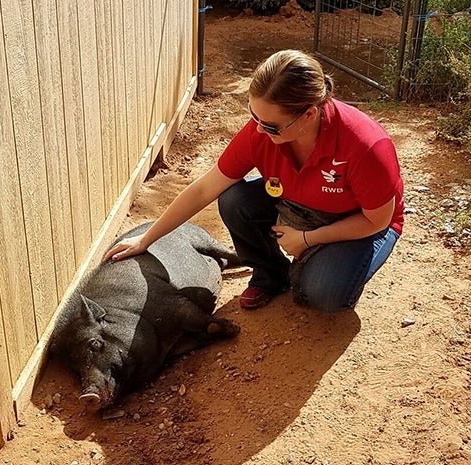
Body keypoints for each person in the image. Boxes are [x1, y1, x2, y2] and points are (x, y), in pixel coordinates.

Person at [104, 49, 404, 313]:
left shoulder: (366, 146)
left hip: (363, 221)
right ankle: (271, 275)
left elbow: (376, 220)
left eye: (270, 125)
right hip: (304, 203)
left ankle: (325, 264)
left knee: (324, 296)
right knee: (235, 199)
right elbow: (205, 188)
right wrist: (147, 239)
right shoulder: (261, 133)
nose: (259, 131)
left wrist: (308, 239)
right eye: (253, 116)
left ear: (309, 115)